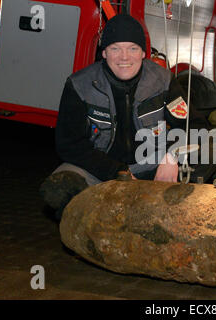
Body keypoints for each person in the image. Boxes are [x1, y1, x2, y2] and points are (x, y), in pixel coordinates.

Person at [40, 14, 190, 220]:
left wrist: (171, 156)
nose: (124, 57)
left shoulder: (164, 81)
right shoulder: (80, 85)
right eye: (115, 48)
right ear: (104, 53)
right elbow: (69, 145)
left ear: (144, 53)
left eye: (133, 48)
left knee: (203, 160)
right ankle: (92, 237)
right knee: (59, 187)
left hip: (152, 166)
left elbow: (192, 126)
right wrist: (117, 172)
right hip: (101, 170)